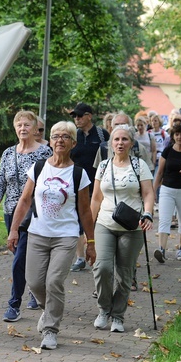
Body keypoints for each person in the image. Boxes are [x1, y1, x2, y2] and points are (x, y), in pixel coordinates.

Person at [7, 121, 94, 350]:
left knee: (54, 281)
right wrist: (14, 229)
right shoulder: (38, 168)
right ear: (51, 141)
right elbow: (24, 200)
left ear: (73, 143)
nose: (59, 140)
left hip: (66, 236)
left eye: (65, 137)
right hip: (37, 233)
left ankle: (51, 330)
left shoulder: (79, 174)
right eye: (55, 136)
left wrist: (91, 243)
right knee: (35, 282)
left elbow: (85, 211)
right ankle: (49, 311)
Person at [90, 125, 155, 333]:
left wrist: (147, 213)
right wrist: (88, 230)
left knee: (125, 274)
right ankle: (104, 309)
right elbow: (96, 198)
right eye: (116, 139)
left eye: (124, 139)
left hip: (132, 226)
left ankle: (118, 316)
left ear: (131, 143)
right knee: (102, 268)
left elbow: (148, 193)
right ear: (111, 144)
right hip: (105, 223)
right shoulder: (103, 166)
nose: (120, 143)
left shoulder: (139, 165)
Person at [0, 110, 51, 321]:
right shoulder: (8, 153)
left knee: (20, 258)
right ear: (15, 128)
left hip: (34, 212)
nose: (23, 129)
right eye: (19, 125)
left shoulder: (45, 153)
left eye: (27, 125)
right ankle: (34, 288)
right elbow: (0, 184)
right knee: (19, 255)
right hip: (10, 212)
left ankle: (14, 304)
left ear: (35, 129)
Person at [69, 102, 109, 272]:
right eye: (74, 116)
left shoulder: (102, 134)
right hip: (77, 185)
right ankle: (79, 257)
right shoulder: (74, 136)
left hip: (98, 186)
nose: (76, 119)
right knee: (77, 220)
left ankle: (98, 254)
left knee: (96, 221)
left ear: (89, 116)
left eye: (79, 115)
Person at [152, 123, 181, 262]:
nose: (179, 137)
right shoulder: (167, 151)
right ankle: (161, 250)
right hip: (167, 189)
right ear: (173, 136)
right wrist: (153, 191)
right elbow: (159, 172)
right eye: (176, 134)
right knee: (164, 220)